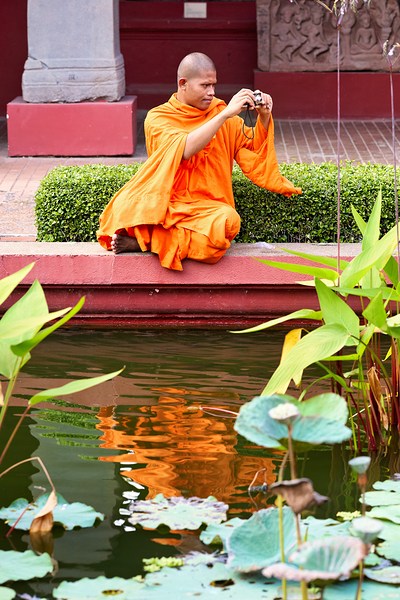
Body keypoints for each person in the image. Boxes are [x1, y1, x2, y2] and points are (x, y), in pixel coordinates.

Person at [97, 53, 301, 271]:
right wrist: (224, 116)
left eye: (213, 85)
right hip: (170, 203)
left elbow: (252, 149)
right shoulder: (158, 117)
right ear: (182, 84)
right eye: (205, 85)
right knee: (123, 209)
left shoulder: (221, 113)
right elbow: (183, 148)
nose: (211, 92)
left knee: (227, 223)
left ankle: (147, 242)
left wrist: (264, 116)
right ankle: (157, 239)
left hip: (208, 208)